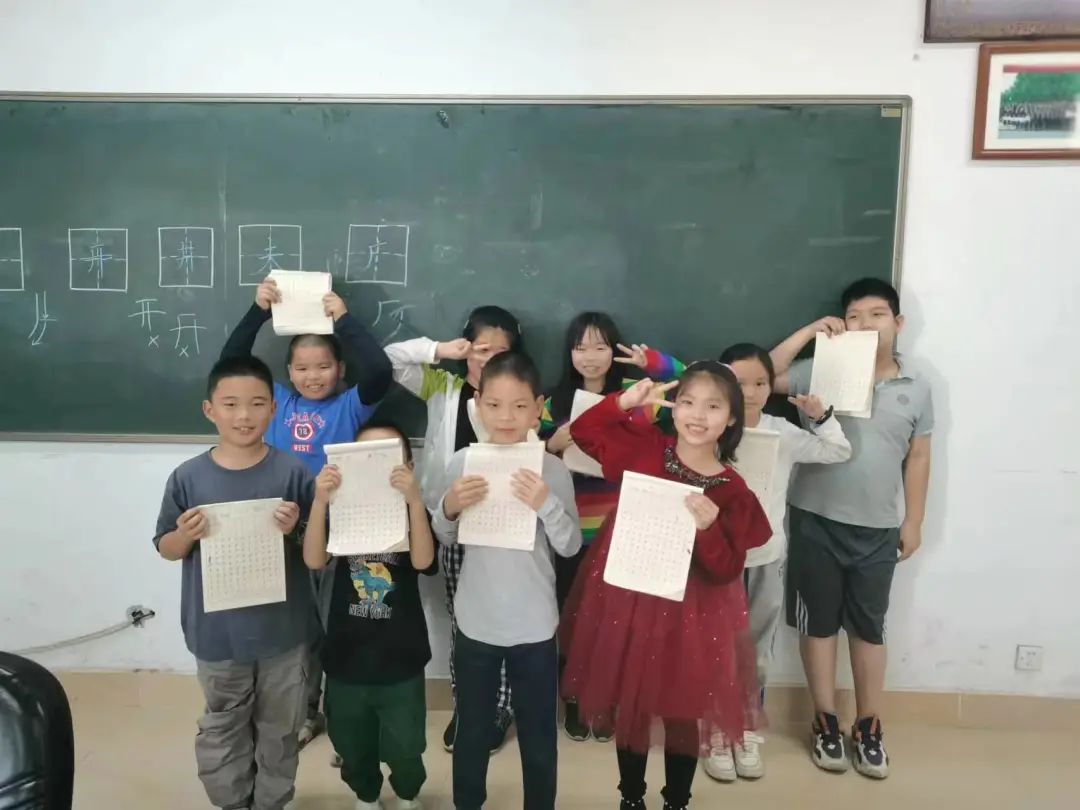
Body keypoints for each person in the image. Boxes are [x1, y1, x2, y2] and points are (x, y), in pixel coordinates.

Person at [560, 364, 772, 810]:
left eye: (713, 406)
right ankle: (631, 798)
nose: (698, 415)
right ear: (673, 408)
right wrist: (623, 403)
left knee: (682, 710)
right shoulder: (647, 449)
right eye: (688, 402)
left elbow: (727, 569)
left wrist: (708, 529)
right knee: (631, 705)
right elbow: (583, 431)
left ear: (732, 418)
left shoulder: (732, 490)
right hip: (630, 602)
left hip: (691, 617)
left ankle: (677, 800)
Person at [770, 278, 934, 779]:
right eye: (854, 316)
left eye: (877, 315)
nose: (865, 324)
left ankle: (868, 725)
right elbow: (759, 378)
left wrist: (914, 520)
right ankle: (824, 720)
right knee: (818, 624)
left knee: (868, 628)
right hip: (815, 518)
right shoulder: (822, 369)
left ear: (897, 323)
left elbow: (919, 456)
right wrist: (808, 335)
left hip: (878, 527)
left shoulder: (916, 388)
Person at [221, 275, 392, 751]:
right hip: (280, 529)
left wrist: (344, 319)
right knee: (296, 631)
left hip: (338, 530)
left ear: (340, 369)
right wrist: (258, 312)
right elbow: (232, 363)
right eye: (301, 367)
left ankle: (345, 719)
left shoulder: (350, 407)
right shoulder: (275, 403)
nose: (312, 375)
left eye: (323, 366)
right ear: (288, 373)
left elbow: (380, 371)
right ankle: (305, 711)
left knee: (340, 624)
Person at [153, 355, 316, 810]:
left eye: (257, 403)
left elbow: (316, 549)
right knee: (224, 727)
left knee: (281, 729)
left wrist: (296, 528)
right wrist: (185, 535)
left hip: (283, 632)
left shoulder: (292, 473)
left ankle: (271, 801)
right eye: (230, 404)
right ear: (210, 410)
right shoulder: (187, 477)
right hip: (217, 634)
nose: (244, 415)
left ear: (274, 410)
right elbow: (166, 548)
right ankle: (232, 801)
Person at [432, 352, 582, 810]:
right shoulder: (463, 462)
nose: (506, 417)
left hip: (534, 625)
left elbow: (570, 546)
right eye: (494, 405)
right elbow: (445, 535)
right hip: (476, 620)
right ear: (478, 404)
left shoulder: (552, 469)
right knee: (472, 731)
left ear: (538, 408)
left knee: (538, 735)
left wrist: (546, 504)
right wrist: (449, 506)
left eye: (519, 406)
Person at [700, 343, 850, 782]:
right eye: (738, 382)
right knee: (716, 645)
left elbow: (837, 451)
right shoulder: (707, 431)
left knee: (756, 650)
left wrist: (821, 418)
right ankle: (715, 732)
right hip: (715, 561)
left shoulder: (781, 431)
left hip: (766, 557)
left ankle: (746, 728)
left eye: (760, 382)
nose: (749, 392)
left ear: (771, 387)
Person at [384, 306, 524, 754]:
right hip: (452, 523)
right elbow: (387, 361)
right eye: (481, 349)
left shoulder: (523, 400)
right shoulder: (443, 386)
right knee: (464, 619)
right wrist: (440, 350)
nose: (490, 359)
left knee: (505, 617)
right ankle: (468, 703)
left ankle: (500, 706)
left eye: (501, 352)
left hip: (508, 526)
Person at [540, 311, 684, 742]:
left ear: (614, 350)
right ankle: (573, 697)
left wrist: (652, 362)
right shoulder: (554, 402)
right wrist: (552, 444)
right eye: (580, 347)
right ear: (568, 353)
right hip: (570, 526)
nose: (590, 356)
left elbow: (689, 382)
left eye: (600, 346)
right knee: (571, 614)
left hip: (624, 524)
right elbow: (533, 453)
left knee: (617, 620)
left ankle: (606, 698)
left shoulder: (637, 394)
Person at [303, 420, 437, 810]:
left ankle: (408, 793)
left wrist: (415, 500)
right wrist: (321, 500)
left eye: (387, 458)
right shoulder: (341, 509)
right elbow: (313, 559)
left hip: (401, 660)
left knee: (406, 744)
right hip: (346, 659)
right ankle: (366, 794)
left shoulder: (413, 511)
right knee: (351, 742)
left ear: (407, 466)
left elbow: (424, 561)